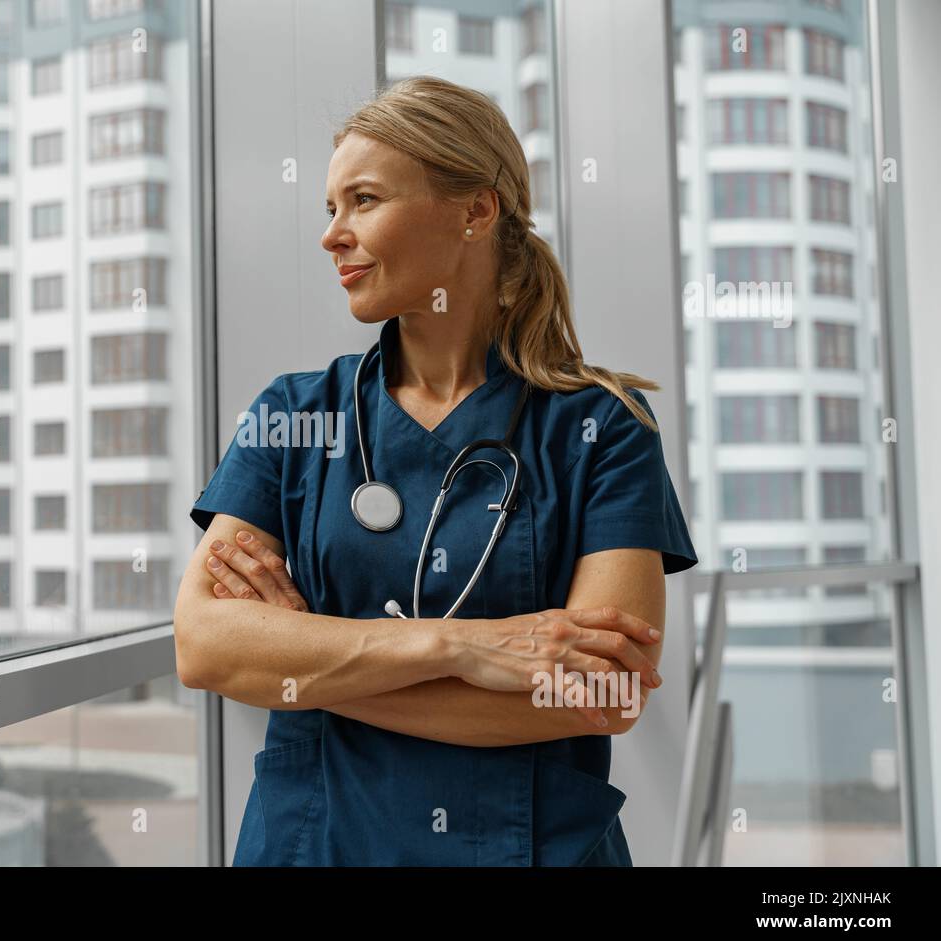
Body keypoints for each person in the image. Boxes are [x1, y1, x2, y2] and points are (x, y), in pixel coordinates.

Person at [173, 75, 698, 866]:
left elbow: (603, 693)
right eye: (330, 208)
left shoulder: (603, 426)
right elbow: (206, 648)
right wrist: (459, 649)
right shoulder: (294, 416)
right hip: (315, 845)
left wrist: (305, 660)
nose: (332, 235)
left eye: (365, 200)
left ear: (475, 211)